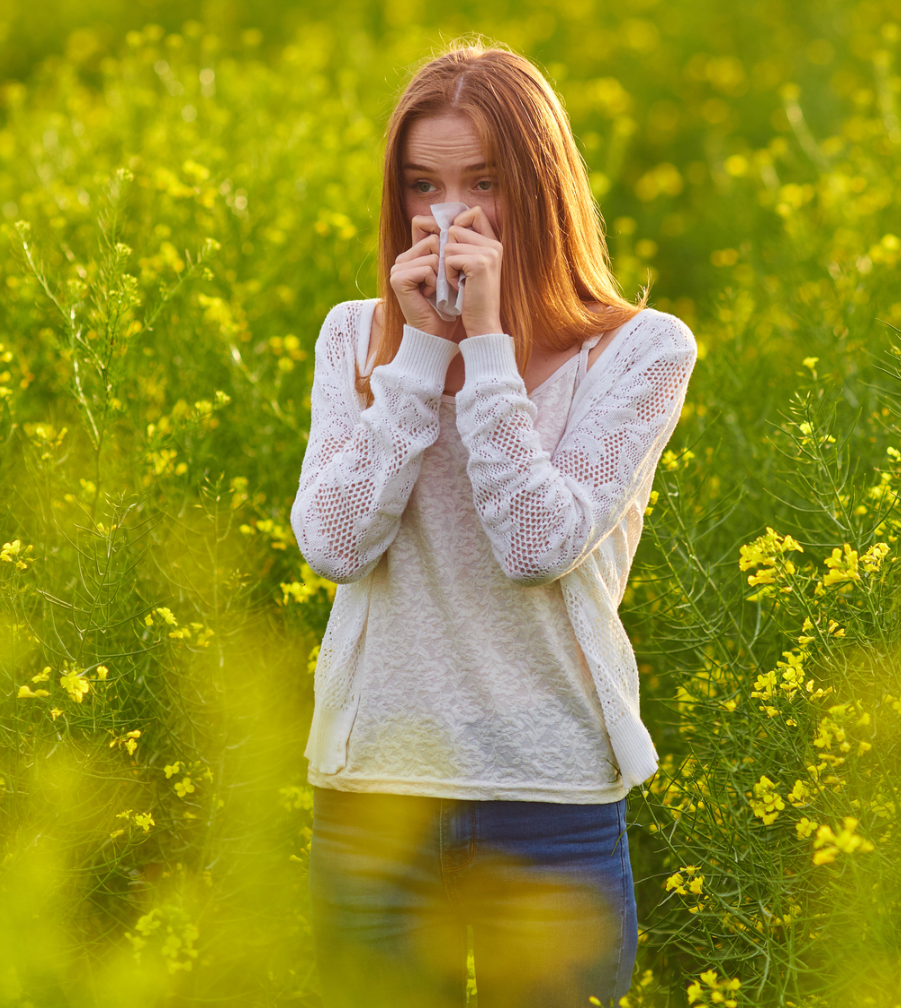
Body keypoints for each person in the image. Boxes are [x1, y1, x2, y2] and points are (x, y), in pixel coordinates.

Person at [289, 40, 697, 1008]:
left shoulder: (639, 351)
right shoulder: (356, 335)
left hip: (549, 802)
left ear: (541, 186)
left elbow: (534, 544)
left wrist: (488, 343)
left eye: (484, 182)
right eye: (423, 185)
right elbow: (334, 544)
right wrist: (421, 357)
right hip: (372, 797)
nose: (448, 216)